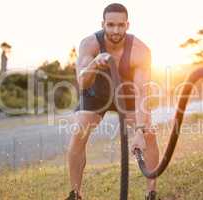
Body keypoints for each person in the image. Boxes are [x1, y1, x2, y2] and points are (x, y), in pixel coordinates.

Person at [65, 3, 159, 200]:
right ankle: (75, 193)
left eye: (120, 25)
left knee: (149, 133)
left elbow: (142, 92)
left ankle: (151, 192)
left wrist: (139, 131)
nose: (116, 30)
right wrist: (94, 63)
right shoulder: (89, 44)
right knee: (79, 130)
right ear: (103, 24)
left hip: (128, 95)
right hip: (95, 94)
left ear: (127, 25)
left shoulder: (141, 50)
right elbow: (82, 82)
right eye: (110, 25)